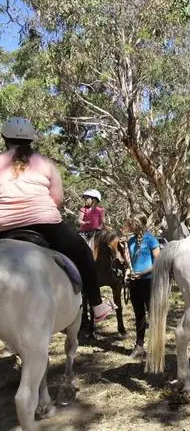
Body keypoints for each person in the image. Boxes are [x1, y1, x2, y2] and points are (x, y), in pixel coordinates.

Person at [0, 116, 114, 321]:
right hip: (46, 224)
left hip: (3, 225)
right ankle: (97, 306)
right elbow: (58, 199)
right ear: (31, 140)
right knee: (84, 254)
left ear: (4, 138)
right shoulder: (46, 164)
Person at [124, 213, 160, 359]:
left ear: (138, 224)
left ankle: (156, 346)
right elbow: (130, 262)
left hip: (148, 281)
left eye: (131, 223)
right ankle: (139, 346)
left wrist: (143, 273)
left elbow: (159, 262)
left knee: (153, 314)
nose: (129, 226)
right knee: (139, 315)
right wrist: (128, 271)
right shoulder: (130, 241)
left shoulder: (150, 239)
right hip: (134, 282)